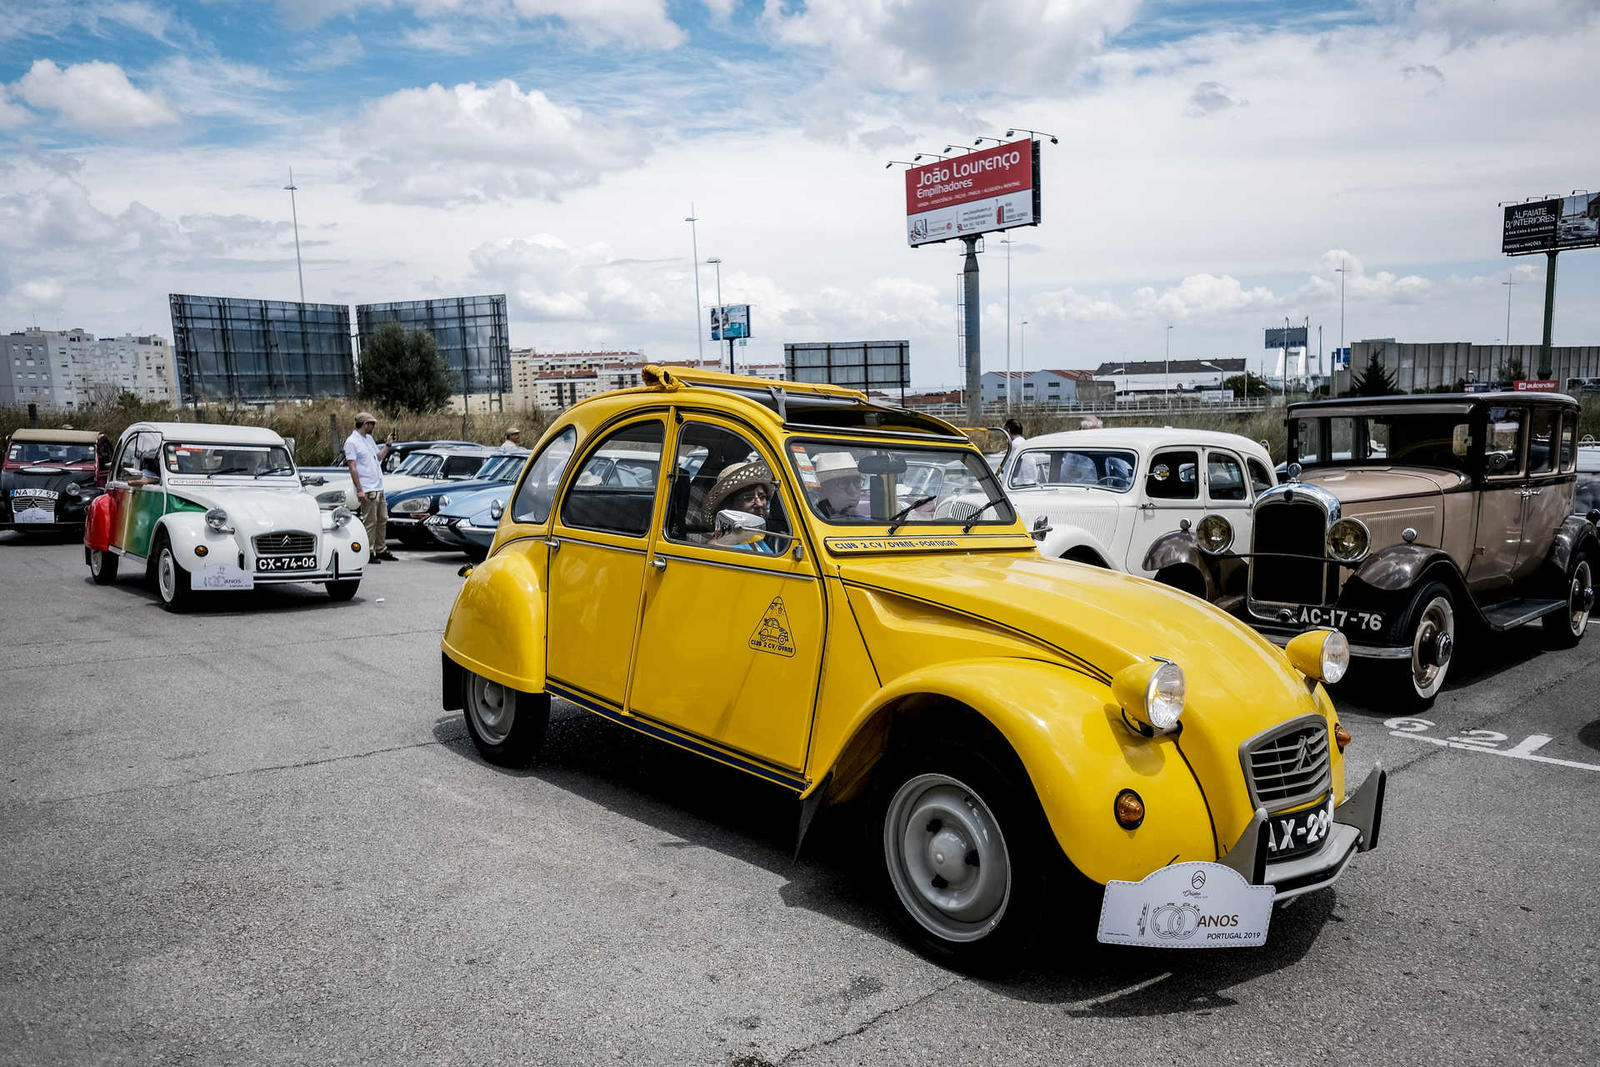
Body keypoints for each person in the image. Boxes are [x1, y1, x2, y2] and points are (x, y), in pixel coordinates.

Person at [344, 412, 398, 563]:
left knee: (382, 519)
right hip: (367, 487)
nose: (373, 427)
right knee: (370, 521)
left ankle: (381, 549)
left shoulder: (368, 439)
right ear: (365, 424)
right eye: (372, 424)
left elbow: (378, 457)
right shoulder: (351, 442)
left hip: (377, 486)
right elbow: (352, 467)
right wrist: (359, 489)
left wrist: (388, 445)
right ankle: (368, 551)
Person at [701, 461, 778, 552]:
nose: (760, 504)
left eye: (762, 497)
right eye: (748, 498)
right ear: (728, 507)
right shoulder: (719, 546)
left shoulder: (755, 538)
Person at [811, 452, 865, 519]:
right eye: (843, 482)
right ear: (821, 488)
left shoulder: (861, 521)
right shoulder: (811, 521)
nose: (853, 491)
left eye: (857, 482)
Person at [1004, 418, 1042, 485]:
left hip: (1020, 484)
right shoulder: (1025, 443)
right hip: (1030, 482)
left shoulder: (1014, 445)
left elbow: (1008, 469)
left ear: (1008, 431)